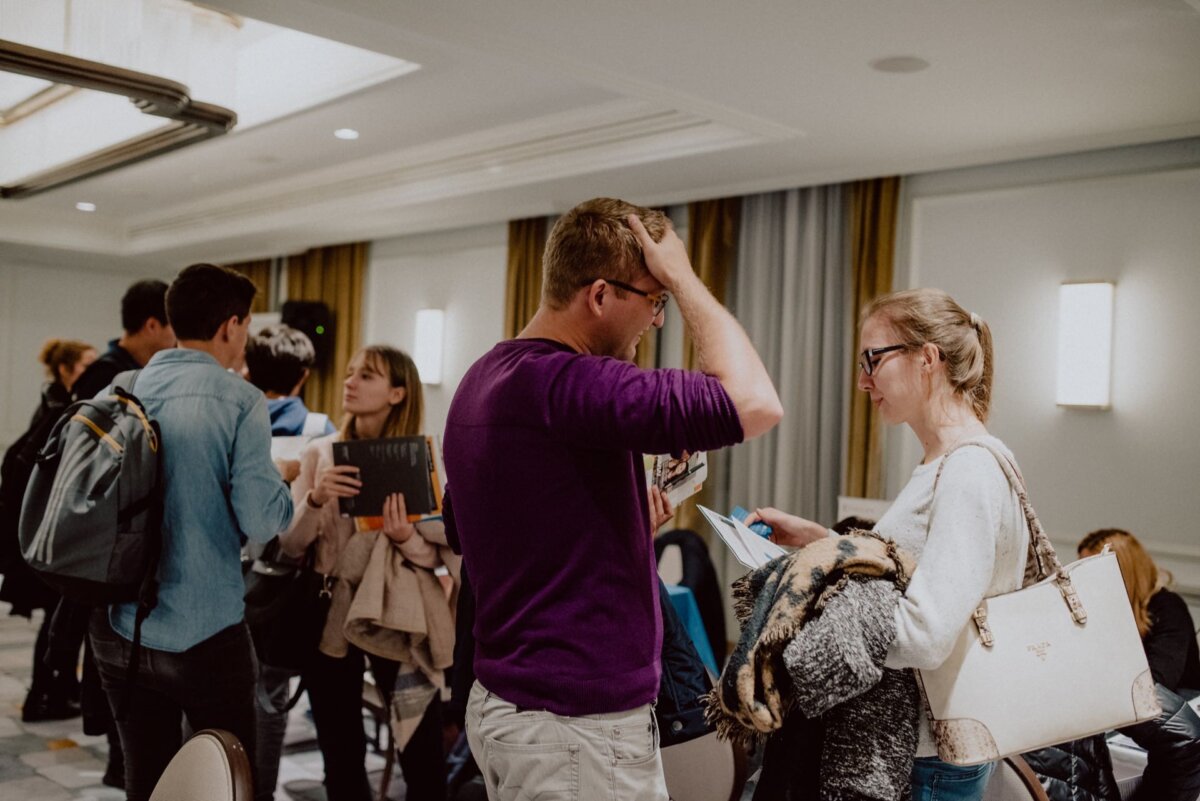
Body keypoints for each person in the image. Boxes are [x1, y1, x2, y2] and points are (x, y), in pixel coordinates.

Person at [443, 197, 782, 801]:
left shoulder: (482, 379)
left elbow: (488, 536)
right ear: (600, 295)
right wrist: (682, 276)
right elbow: (754, 402)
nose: (657, 320)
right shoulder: (568, 383)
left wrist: (620, 529)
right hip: (573, 728)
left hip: (516, 705)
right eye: (653, 302)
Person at [753, 288, 1028, 800]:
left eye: (872, 359)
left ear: (927, 359)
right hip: (919, 748)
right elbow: (904, 571)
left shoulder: (967, 470)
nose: (863, 380)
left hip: (926, 756)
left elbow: (924, 633)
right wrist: (822, 543)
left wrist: (809, 619)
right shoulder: (944, 462)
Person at [88, 264, 294, 801]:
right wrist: (285, 486)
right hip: (204, 634)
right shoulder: (240, 401)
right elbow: (263, 520)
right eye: (246, 325)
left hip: (120, 625)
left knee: (148, 781)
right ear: (230, 326)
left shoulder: (122, 387)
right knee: (229, 782)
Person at [279, 345, 451, 801]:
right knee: (340, 754)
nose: (349, 382)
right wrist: (315, 499)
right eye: (350, 372)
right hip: (328, 606)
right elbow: (290, 545)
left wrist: (404, 538)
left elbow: (443, 554)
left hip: (399, 611)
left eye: (367, 375)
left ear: (398, 393)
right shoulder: (320, 453)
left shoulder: (422, 459)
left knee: (421, 751)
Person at [42, 278, 176, 789]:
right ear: (151, 324)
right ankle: (119, 759)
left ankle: (120, 759)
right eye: (169, 327)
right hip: (103, 538)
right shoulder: (114, 377)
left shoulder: (106, 372)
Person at [241, 323, 335, 801]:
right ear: (303, 375)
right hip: (285, 586)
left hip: (226, 577)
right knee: (271, 698)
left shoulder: (234, 422)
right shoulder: (320, 431)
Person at [0, 338, 96, 720]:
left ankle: (52, 692)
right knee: (61, 619)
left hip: (47, 536)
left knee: (60, 618)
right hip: (52, 538)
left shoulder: (54, 406)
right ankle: (46, 695)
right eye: (87, 365)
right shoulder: (60, 413)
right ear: (67, 370)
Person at [1078, 528, 1199, 695]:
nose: (1083, 581)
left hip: (1172, 709)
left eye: (1090, 571)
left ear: (1122, 570)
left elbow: (1158, 683)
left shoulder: (1169, 608)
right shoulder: (1102, 610)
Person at [71, 279, 176, 402]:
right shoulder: (104, 377)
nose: (177, 336)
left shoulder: (136, 371)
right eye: (174, 326)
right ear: (152, 326)